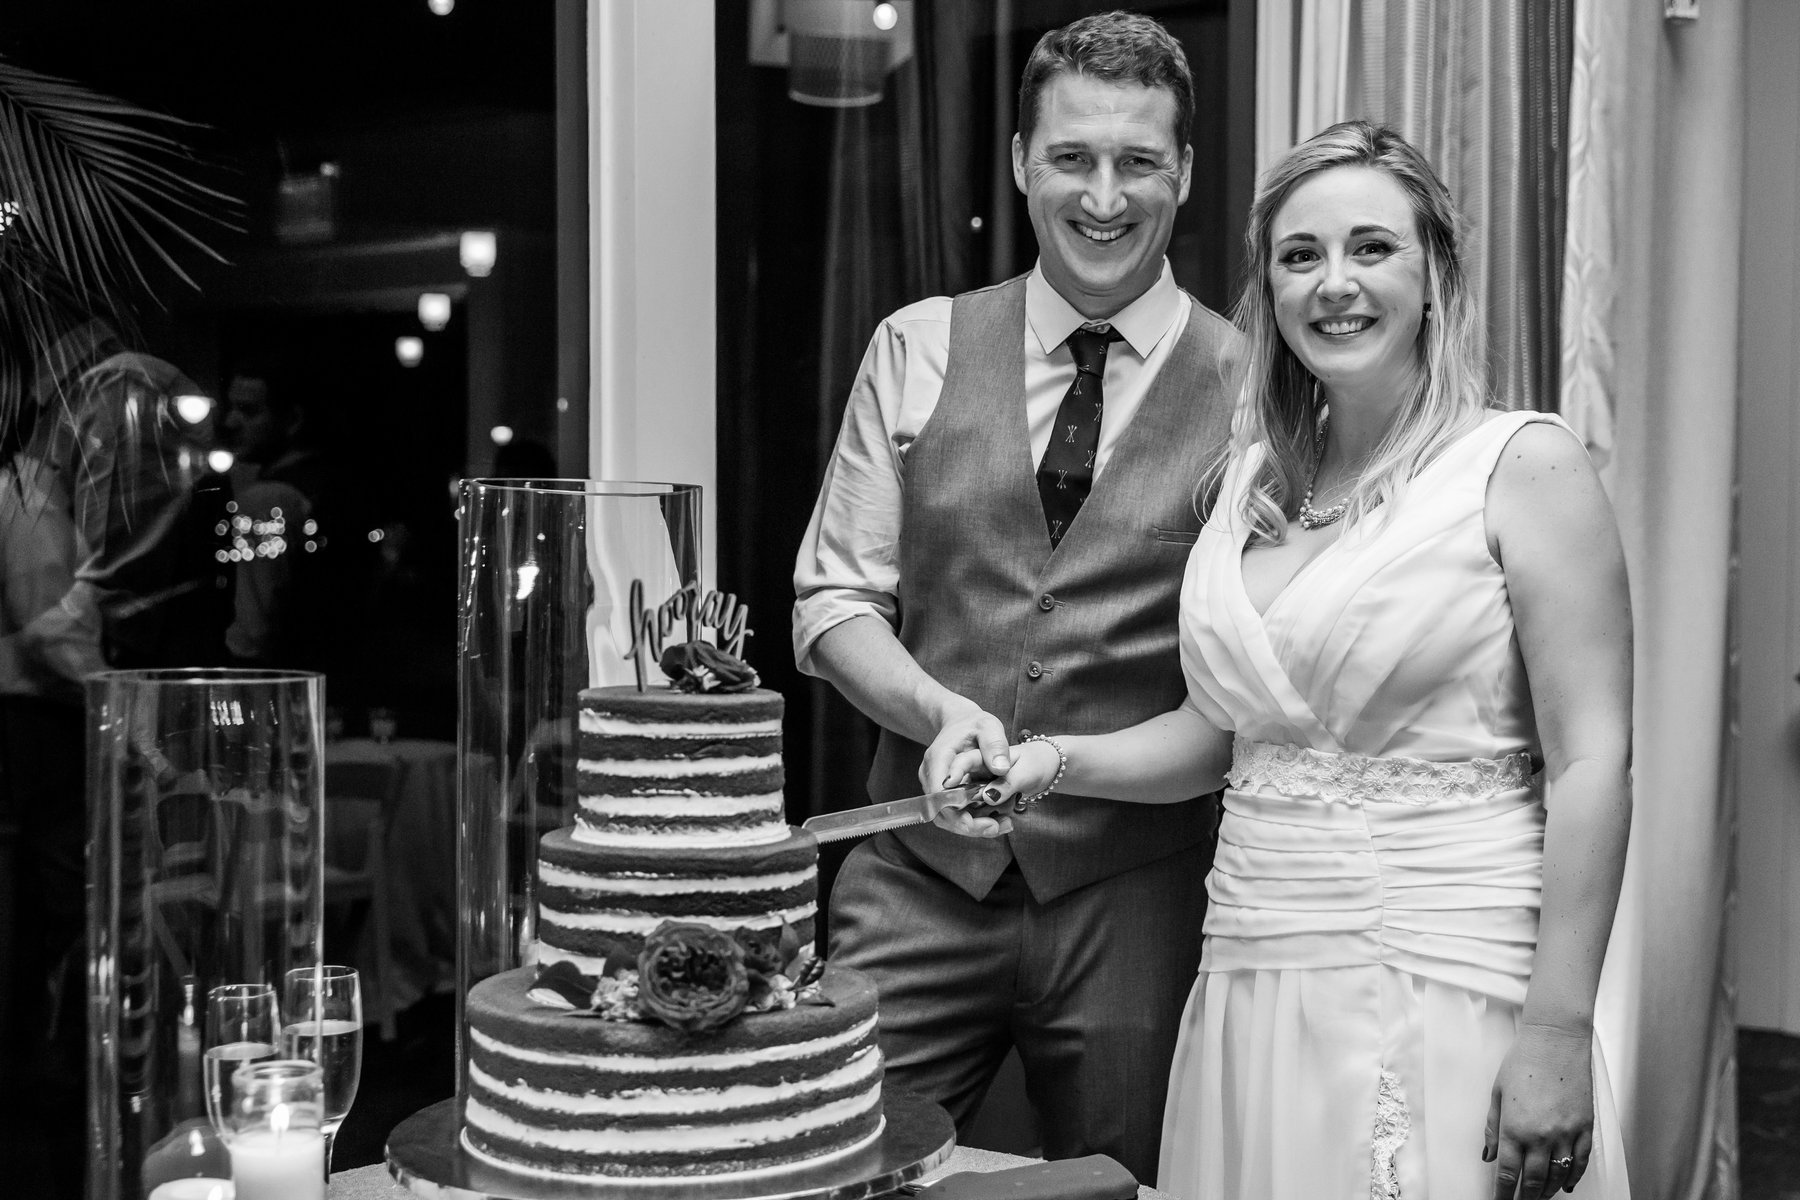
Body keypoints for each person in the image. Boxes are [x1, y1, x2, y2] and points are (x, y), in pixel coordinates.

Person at [950, 120, 1633, 1199]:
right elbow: (1224, 735)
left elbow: (1594, 763)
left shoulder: (1521, 465)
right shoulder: (1254, 484)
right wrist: (1052, 762)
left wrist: (1557, 1026)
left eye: (1373, 248)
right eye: (1300, 255)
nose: (1335, 283)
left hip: (1446, 977)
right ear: (1269, 289)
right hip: (1253, 981)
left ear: (1435, 274)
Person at [792, 11, 1241, 1182]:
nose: (1105, 196)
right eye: (1072, 157)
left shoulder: (1254, 392)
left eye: (1139, 161)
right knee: (835, 1167)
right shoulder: (918, 346)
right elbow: (833, 603)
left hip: (1136, 893)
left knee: (1126, 1184)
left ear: (1185, 171)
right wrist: (941, 713)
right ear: (1019, 161)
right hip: (915, 879)